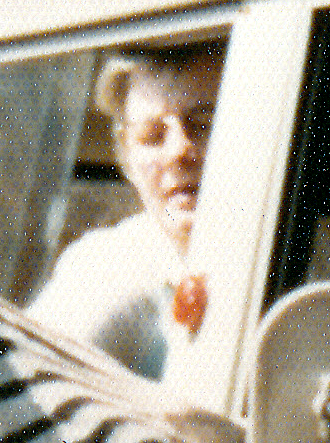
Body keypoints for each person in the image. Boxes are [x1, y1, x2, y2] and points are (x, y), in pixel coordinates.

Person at [31, 43, 221, 378]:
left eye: (203, 124)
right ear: (128, 160)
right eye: (152, 137)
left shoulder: (308, 246)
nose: (179, 151)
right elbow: (29, 393)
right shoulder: (105, 265)